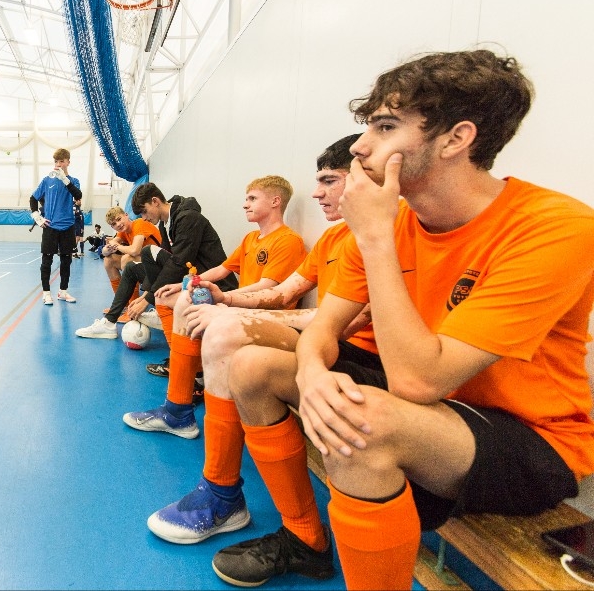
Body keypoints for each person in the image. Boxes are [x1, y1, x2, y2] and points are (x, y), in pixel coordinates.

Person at [211, 49, 594, 590]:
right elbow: (325, 326)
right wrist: (314, 375)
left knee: (360, 422)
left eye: (385, 126)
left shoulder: (556, 227)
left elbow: (419, 381)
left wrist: (373, 237)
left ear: (456, 139)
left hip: (530, 435)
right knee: (251, 366)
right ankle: (305, 537)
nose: (362, 146)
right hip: (429, 401)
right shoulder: (393, 222)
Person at [145, 135, 375, 548]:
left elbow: (344, 320)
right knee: (196, 306)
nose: (317, 192)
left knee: (225, 333)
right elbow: (287, 290)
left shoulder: (361, 238)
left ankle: (221, 490)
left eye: (329, 180)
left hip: (348, 348)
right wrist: (224, 297)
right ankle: (181, 413)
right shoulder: (331, 239)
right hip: (317, 334)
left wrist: (234, 312)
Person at [123, 176, 307, 439]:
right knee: (172, 296)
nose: (245, 205)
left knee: (195, 311)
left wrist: (224, 300)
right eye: (246, 199)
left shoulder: (288, 240)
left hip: (266, 315)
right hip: (241, 304)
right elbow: (222, 269)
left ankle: (188, 390)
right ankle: (183, 394)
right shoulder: (250, 239)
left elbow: (270, 290)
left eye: (252, 198)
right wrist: (186, 283)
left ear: (276, 201)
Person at [116, 182, 240, 437]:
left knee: (163, 295)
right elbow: (177, 263)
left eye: (143, 212)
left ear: (155, 201)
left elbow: (180, 260)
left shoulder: (189, 218)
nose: (143, 218)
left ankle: (192, 379)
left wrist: (148, 297)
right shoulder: (166, 224)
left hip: (213, 286)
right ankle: (183, 366)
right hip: (194, 280)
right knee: (151, 260)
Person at [75, 206, 162, 338]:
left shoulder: (138, 223)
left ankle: (132, 308)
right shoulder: (123, 232)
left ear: (126, 215)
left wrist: (117, 246)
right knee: (109, 260)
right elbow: (104, 251)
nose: (118, 224)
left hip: (160, 271)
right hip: (146, 268)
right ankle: (124, 306)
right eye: (113, 224)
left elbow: (135, 250)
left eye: (119, 219)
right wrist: (107, 248)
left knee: (128, 259)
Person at [30, 148, 82, 305]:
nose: (58, 164)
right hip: (50, 227)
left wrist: (65, 179)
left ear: (68, 162)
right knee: (47, 261)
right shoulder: (47, 180)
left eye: (61, 161)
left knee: (67, 261)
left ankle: (63, 292)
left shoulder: (74, 180)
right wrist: (36, 217)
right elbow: (33, 198)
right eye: (56, 161)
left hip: (67, 227)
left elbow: (78, 195)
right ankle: (46, 293)